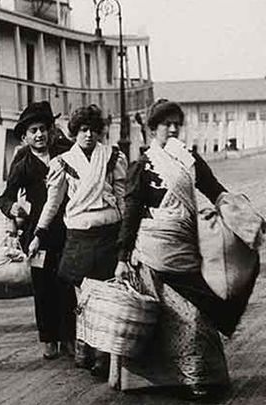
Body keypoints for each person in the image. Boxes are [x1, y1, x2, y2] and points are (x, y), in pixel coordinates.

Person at [111, 99, 234, 399]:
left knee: (196, 316)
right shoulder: (143, 166)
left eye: (177, 123)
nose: (173, 128)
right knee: (159, 319)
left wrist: (239, 213)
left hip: (186, 250)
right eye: (167, 124)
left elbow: (215, 191)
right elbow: (132, 212)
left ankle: (197, 376)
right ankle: (158, 379)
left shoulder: (190, 161)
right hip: (154, 251)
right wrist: (122, 257)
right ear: (153, 129)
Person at [28, 104, 127, 378]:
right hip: (79, 235)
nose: (89, 135)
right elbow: (53, 203)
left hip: (108, 233)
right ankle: (86, 345)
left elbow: (121, 197)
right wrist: (38, 234)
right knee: (83, 297)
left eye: (94, 130)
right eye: (83, 130)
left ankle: (103, 354)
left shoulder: (113, 157)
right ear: (74, 132)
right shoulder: (62, 163)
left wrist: (128, 235)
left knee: (107, 296)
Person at [0, 101, 75, 360]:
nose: (39, 135)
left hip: (67, 229)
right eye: (33, 131)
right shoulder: (23, 164)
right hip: (36, 236)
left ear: (50, 130)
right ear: (25, 136)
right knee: (43, 288)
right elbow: (6, 197)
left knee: (67, 284)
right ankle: (48, 339)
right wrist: (13, 209)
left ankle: (69, 337)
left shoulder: (66, 154)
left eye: (43, 129)